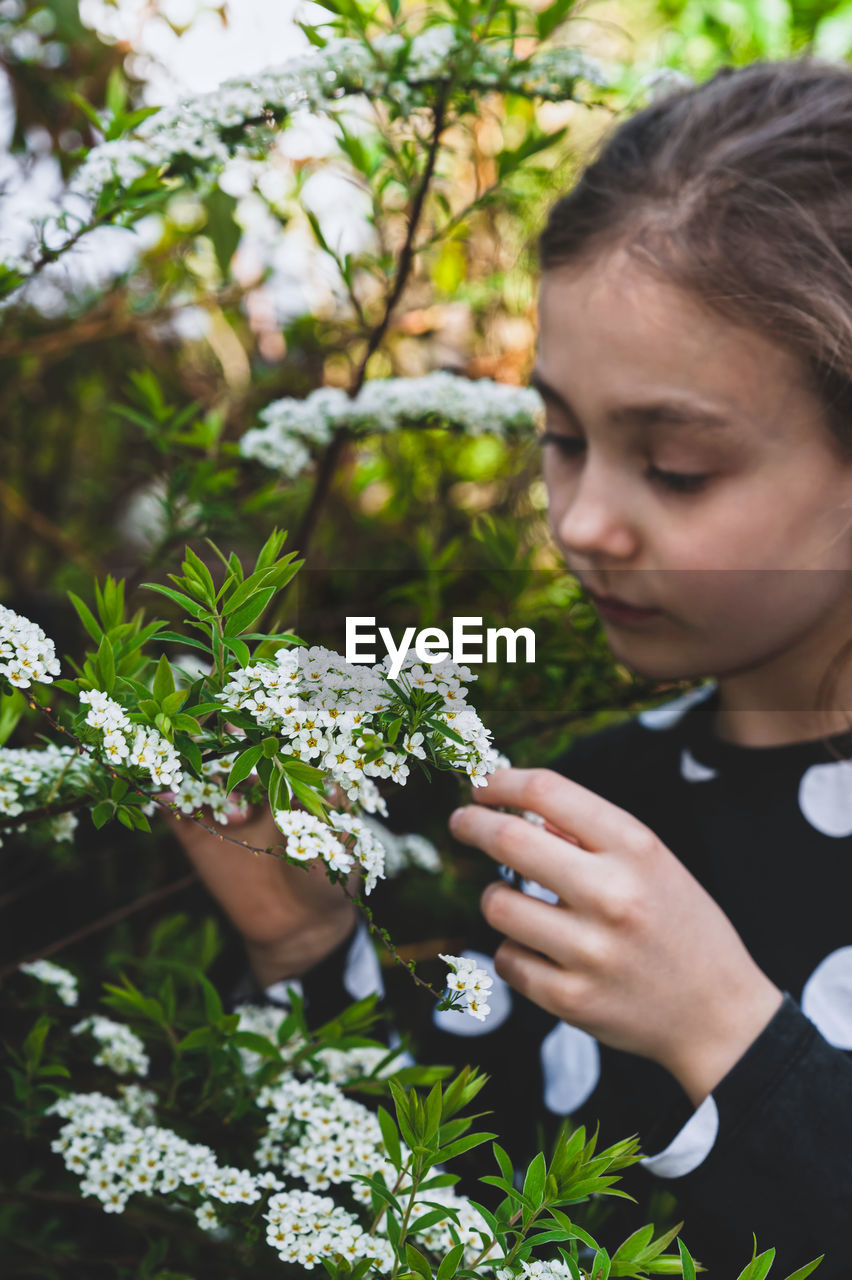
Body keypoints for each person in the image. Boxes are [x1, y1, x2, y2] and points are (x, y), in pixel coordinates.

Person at [170, 59, 852, 1277]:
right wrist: (312, 947)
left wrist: (729, 1037)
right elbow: (459, 1201)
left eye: (678, 464)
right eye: (562, 437)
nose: (583, 519)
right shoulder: (591, 801)